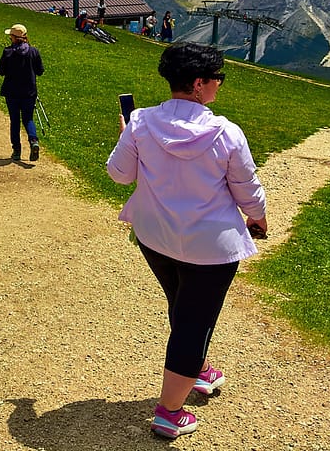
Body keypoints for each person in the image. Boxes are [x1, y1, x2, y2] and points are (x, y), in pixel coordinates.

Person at [106, 43, 267, 439]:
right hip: (210, 248)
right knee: (195, 319)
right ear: (199, 84)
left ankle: (197, 368)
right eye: (217, 79)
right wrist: (258, 218)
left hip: (154, 236)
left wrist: (126, 137)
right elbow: (246, 189)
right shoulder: (227, 133)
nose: (219, 85)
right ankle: (169, 412)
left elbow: (119, 175)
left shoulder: (141, 123)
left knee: (182, 304)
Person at [0, 23, 44, 161]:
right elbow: (40, 71)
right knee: (28, 119)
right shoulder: (33, 51)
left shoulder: (8, 52)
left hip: (12, 92)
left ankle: (17, 150)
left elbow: (1, 71)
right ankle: (33, 141)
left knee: (15, 120)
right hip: (29, 92)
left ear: (13, 37)